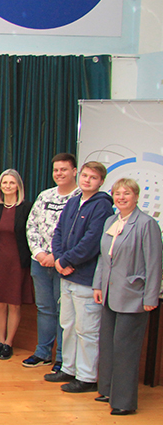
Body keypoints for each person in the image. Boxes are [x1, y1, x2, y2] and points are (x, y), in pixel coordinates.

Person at [93, 178, 162, 416]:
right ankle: (108, 390)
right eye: (117, 193)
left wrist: (151, 296)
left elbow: (154, 263)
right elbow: (103, 258)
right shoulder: (111, 221)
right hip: (109, 293)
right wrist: (98, 285)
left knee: (125, 349)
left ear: (136, 196)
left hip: (133, 295)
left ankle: (124, 401)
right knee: (108, 345)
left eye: (127, 193)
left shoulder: (146, 224)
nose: (121, 197)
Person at [45, 161, 112, 393]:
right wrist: (58, 259)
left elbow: (91, 242)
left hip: (85, 278)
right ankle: (69, 368)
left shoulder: (102, 206)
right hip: (66, 275)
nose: (87, 180)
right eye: (85, 176)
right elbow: (58, 232)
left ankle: (87, 377)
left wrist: (67, 261)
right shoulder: (74, 201)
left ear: (101, 181)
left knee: (87, 330)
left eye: (93, 177)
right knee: (68, 325)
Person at [23, 153, 79, 370]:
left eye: (64, 169)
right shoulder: (45, 196)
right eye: (56, 170)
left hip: (65, 264)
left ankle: (63, 358)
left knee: (65, 312)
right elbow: (31, 226)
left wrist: (57, 256)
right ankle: (43, 352)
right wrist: (39, 253)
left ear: (74, 171)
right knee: (45, 309)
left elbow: (77, 233)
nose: (59, 174)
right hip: (40, 262)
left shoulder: (81, 197)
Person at [0, 169, 34, 361]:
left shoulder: (26, 207)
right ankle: (0, 340)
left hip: (17, 262)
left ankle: (8, 343)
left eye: (12, 183)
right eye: (4, 183)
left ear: (18, 186)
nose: (7, 186)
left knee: (14, 303)